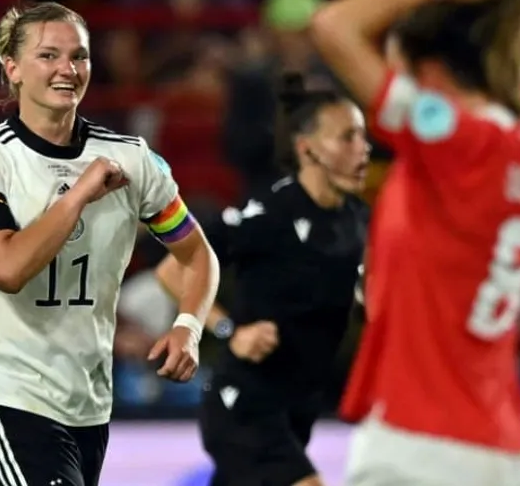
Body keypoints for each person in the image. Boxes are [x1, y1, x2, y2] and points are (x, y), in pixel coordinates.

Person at [310, 0, 520, 486]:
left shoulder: (449, 139)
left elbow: (333, 25)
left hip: (417, 448)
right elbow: (505, 55)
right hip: (505, 453)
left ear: (418, 65)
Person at [0, 2, 220, 486]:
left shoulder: (132, 159)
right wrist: (78, 195)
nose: (68, 69)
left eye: (79, 56)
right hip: (5, 395)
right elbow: (6, 269)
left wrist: (189, 326)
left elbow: (197, 254)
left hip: (87, 405)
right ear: (12, 68)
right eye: (48, 55)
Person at [156, 75, 370, 486]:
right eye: (348, 137)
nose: (363, 148)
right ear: (307, 148)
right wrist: (228, 330)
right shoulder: (271, 212)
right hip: (245, 404)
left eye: (363, 136)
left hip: (298, 409)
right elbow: (172, 269)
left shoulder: (357, 219)